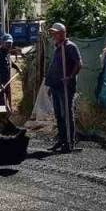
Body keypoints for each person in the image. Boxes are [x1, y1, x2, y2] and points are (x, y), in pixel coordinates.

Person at [45, 22, 82, 152]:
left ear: (62, 33)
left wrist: (70, 77)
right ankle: (61, 140)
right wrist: (51, 85)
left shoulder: (70, 47)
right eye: (53, 33)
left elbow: (78, 64)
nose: (53, 35)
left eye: (55, 33)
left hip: (66, 87)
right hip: (56, 86)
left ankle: (69, 142)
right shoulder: (57, 47)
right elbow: (55, 68)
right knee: (58, 114)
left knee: (66, 113)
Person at [0, 33, 17, 108]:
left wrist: (17, 67)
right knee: (1, 105)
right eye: (7, 43)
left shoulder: (6, 53)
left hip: (6, 82)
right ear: (2, 43)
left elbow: (10, 62)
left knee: (8, 102)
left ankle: (7, 116)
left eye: (10, 43)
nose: (9, 45)